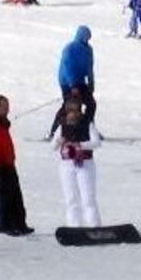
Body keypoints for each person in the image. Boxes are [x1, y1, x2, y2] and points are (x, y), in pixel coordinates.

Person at [0, 95, 33, 236]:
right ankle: (4, 226)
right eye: (4, 107)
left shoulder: (1, 123)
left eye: (8, 107)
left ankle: (19, 224)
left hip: (8, 163)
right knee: (4, 196)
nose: (7, 110)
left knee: (16, 195)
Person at [51, 99, 103, 227]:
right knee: (71, 198)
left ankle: (94, 225)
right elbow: (53, 145)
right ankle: (74, 225)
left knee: (88, 198)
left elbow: (97, 142)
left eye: (75, 111)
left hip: (85, 164)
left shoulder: (87, 124)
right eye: (70, 111)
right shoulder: (62, 126)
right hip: (67, 165)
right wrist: (59, 141)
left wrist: (80, 145)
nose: (72, 114)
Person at [48, 25, 96, 139]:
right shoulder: (70, 49)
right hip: (67, 82)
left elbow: (90, 66)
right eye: (85, 37)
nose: (87, 40)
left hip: (80, 81)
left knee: (91, 104)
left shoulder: (88, 49)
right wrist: (73, 85)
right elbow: (67, 68)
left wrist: (91, 81)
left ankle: (88, 128)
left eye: (88, 37)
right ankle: (56, 131)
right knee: (70, 105)